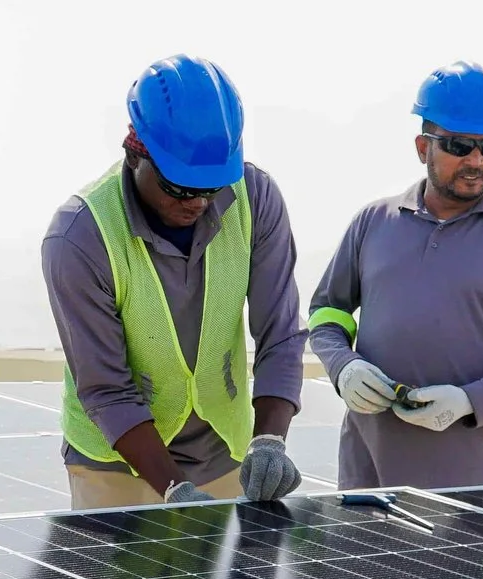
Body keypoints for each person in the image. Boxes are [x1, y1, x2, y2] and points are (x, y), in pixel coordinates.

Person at [43, 54, 307, 509]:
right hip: (116, 464)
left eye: (211, 188)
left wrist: (269, 441)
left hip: (224, 453)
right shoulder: (80, 237)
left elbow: (280, 335)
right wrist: (174, 489)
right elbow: (106, 389)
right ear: (134, 154)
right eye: (180, 188)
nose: (199, 203)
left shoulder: (256, 198)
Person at [307, 62, 483, 490]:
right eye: (459, 144)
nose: (475, 160)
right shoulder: (372, 223)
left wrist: (472, 401)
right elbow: (326, 312)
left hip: (468, 487)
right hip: (365, 478)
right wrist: (344, 367)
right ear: (422, 147)